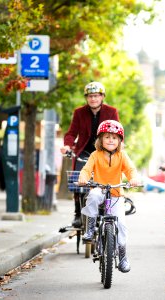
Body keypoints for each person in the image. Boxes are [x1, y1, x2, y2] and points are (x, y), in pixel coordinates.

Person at [78, 120, 140, 273]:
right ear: (100, 140)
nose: (111, 140)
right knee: (92, 196)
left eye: (114, 137)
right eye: (107, 137)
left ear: (119, 140)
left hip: (116, 194)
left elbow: (131, 169)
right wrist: (83, 178)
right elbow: (86, 170)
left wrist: (134, 178)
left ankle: (123, 257)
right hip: (99, 189)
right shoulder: (95, 155)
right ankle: (90, 229)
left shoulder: (122, 155)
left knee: (122, 226)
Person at [60, 82, 120, 228]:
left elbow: (117, 131)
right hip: (84, 152)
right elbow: (71, 133)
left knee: (107, 182)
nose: (93, 99)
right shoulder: (79, 112)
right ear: (86, 98)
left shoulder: (111, 111)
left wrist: (116, 147)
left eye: (96, 96)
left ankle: (106, 209)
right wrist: (67, 146)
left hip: (105, 152)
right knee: (79, 180)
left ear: (102, 97)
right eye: (90, 96)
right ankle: (78, 214)